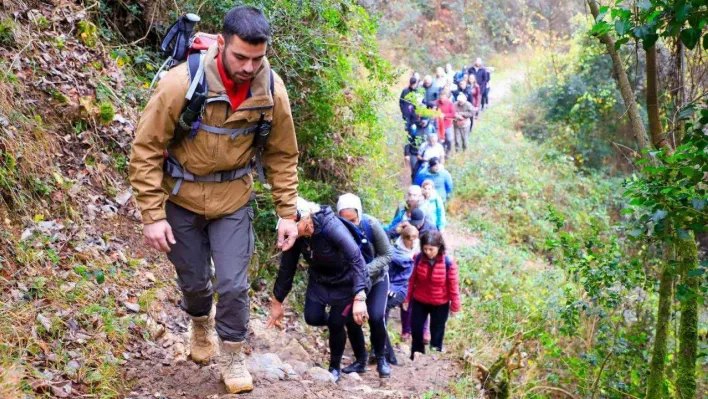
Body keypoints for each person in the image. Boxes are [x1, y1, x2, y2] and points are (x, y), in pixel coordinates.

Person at [129, 6, 299, 394]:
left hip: (233, 199)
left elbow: (282, 154)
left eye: (257, 58)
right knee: (194, 281)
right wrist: (152, 214)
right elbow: (146, 149)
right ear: (221, 44)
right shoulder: (179, 84)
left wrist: (287, 212)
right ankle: (200, 322)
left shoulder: (271, 90)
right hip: (180, 197)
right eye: (240, 56)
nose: (248, 66)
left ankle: (234, 352)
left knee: (234, 284)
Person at [268, 198, 369, 383]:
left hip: (346, 282)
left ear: (305, 219)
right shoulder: (296, 236)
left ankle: (334, 366)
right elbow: (286, 270)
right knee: (312, 317)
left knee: (337, 323)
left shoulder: (331, 227)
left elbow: (356, 258)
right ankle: (338, 325)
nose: (286, 232)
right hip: (320, 281)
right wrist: (277, 302)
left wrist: (359, 296)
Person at [337, 194, 394, 378]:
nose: (350, 225)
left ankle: (381, 358)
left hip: (376, 279)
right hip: (351, 281)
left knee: (376, 317)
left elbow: (386, 254)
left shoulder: (371, 225)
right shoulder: (336, 229)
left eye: (353, 220)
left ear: (359, 214)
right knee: (351, 319)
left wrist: (364, 271)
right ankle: (360, 360)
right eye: (345, 221)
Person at [404, 231, 461, 359]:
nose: (428, 252)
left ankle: (434, 357)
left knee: (437, 331)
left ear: (439, 247)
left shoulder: (448, 262)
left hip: (440, 303)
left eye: (431, 249)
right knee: (416, 328)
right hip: (420, 300)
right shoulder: (418, 258)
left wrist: (455, 306)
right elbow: (411, 280)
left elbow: (453, 285)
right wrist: (406, 298)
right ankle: (417, 355)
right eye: (425, 248)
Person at [383, 225, 419, 364]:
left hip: (402, 290)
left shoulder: (416, 252)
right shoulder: (394, 251)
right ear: (403, 239)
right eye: (410, 239)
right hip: (389, 287)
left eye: (415, 239)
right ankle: (384, 352)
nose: (413, 242)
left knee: (381, 317)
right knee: (380, 318)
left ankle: (386, 353)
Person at [436, 89, 455, 154]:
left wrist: (444, 115)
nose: (442, 99)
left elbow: (453, 114)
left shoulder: (450, 104)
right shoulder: (436, 102)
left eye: (443, 98)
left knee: (449, 139)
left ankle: (448, 151)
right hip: (439, 125)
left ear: (446, 97)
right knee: (440, 140)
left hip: (448, 124)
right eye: (440, 97)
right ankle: (442, 152)